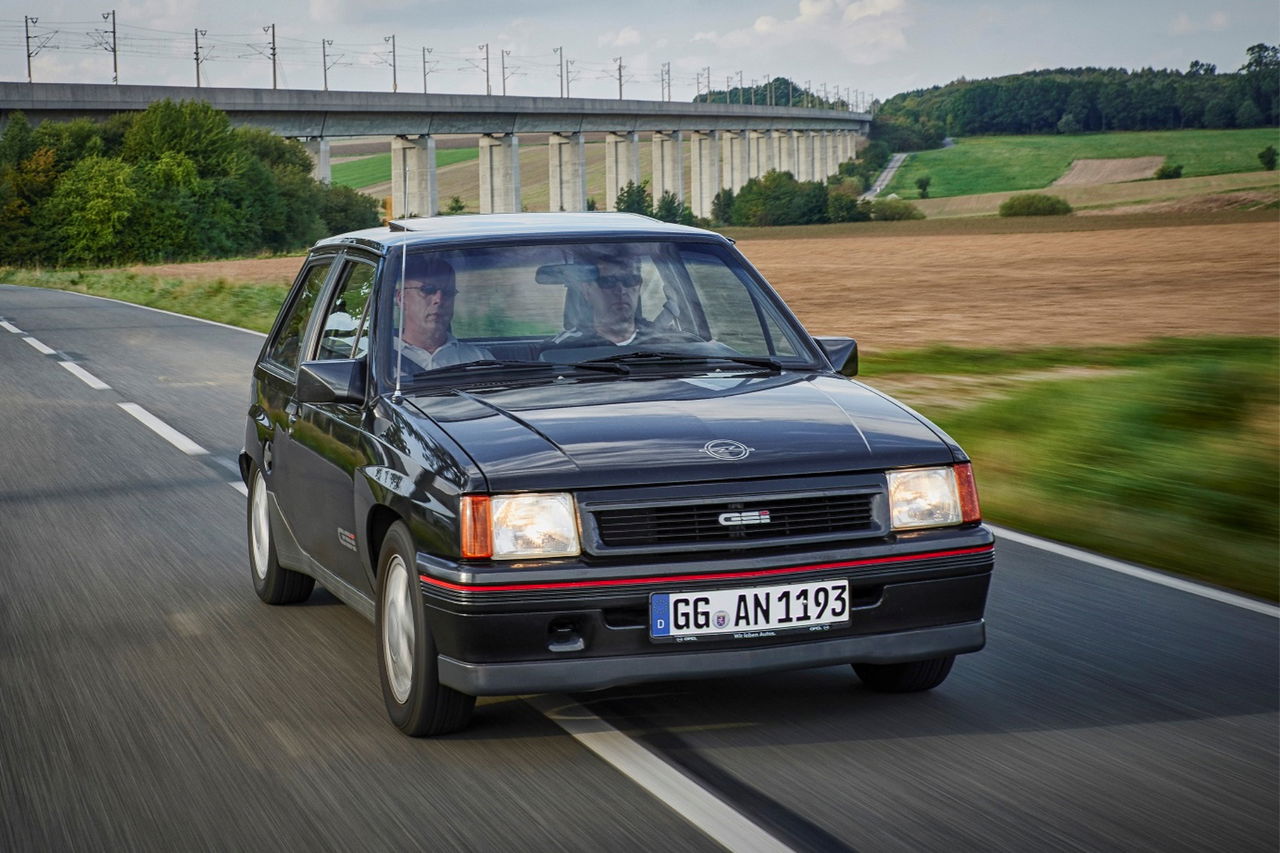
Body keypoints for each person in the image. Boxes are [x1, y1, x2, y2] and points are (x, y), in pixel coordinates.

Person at [396, 254, 492, 370]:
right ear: (402, 299)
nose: (439, 300)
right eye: (427, 290)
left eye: (448, 292)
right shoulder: (379, 361)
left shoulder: (480, 360)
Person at [551, 253, 662, 346]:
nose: (621, 290)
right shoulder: (565, 347)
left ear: (639, 287)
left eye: (630, 280)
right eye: (609, 281)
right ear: (587, 290)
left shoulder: (665, 342)